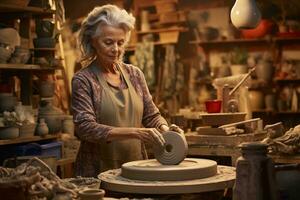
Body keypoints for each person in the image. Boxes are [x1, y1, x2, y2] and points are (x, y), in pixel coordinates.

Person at [72, 4, 178, 177]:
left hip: (135, 166)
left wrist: (165, 130)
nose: (116, 49)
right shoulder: (84, 80)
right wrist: (136, 132)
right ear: (93, 41)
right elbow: (85, 128)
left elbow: (151, 115)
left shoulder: (135, 75)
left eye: (120, 43)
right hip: (97, 172)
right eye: (108, 42)